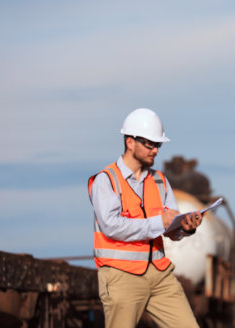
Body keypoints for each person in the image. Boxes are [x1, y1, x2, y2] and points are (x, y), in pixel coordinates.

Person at [88, 108, 201, 328]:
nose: (156, 151)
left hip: (160, 275)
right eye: (150, 144)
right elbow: (112, 227)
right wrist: (161, 222)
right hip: (121, 276)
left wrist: (185, 228)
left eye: (158, 145)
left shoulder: (160, 181)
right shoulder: (106, 180)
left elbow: (171, 228)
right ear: (130, 142)